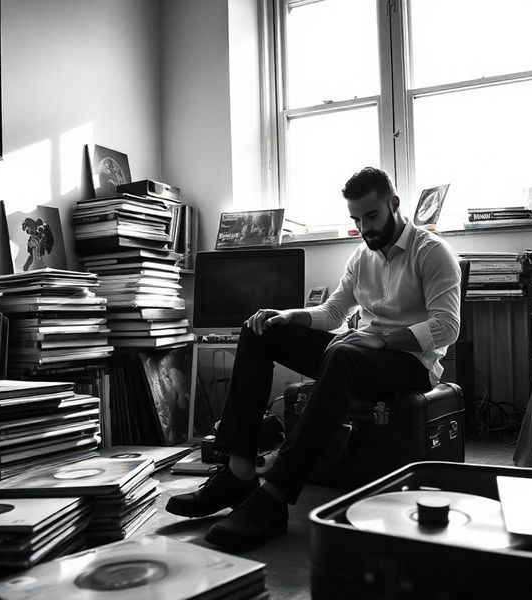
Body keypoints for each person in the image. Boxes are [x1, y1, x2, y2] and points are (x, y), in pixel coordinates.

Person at [166, 167, 461, 550]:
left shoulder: (431, 252)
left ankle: (274, 497)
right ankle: (239, 473)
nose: (364, 228)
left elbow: (447, 326)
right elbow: (334, 313)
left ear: (394, 204)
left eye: (371, 216)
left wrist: (382, 341)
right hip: (357, 353)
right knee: (259, 330)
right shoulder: (362, 257)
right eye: (356, 219)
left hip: (411, 363)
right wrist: (285, 315)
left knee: (343, 353)